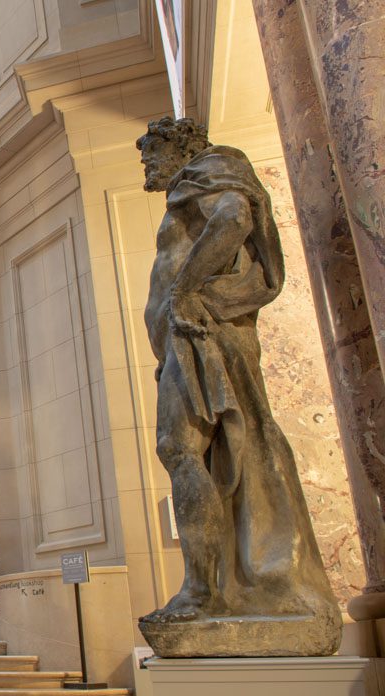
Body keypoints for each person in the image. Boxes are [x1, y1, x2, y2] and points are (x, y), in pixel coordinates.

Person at [135, 117, 339, 654]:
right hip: (188, 338)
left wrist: (183, 292)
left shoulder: (207, 172)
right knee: (194, 450)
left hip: (201, 331)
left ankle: (203, 592)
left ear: (181, 146)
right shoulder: (194, 184)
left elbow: (232, 218)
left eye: (152, 151)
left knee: (180, 448)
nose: (147, 164)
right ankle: (215, 587)